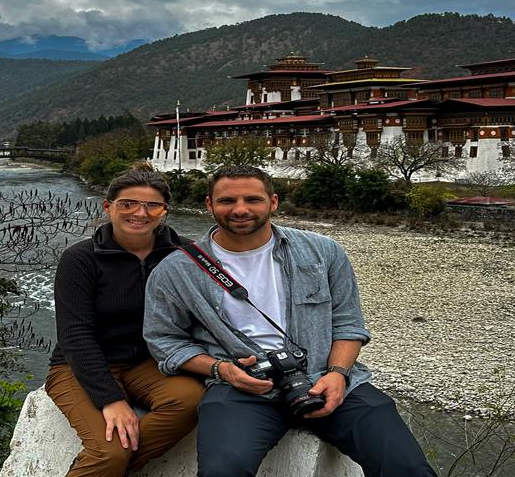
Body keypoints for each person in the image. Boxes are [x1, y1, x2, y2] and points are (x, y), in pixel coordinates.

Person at [144, 165, 437, 477]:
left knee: (406, 467)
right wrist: (221, 369)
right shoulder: (177, 269)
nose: (240, 209)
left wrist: (338, 375)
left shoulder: (322, 251)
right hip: (242, 387)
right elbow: (164, 339)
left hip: (325, 376)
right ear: (209, 204)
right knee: (222, 470)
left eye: (253, 199)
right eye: (227, 200)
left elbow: (348, 323)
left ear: (273, 202)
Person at [47, 162, 204, 477]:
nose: (140, 213)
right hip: (81, 365)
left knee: (192, 401)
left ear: (164, 211)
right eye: (128, 204)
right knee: (109, 453)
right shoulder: (81, 259)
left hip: (149, 363)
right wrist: (111, 399)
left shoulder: (186, 254)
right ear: (108, 207)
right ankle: (107, 466)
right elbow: (75, 334)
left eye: (152, 206)